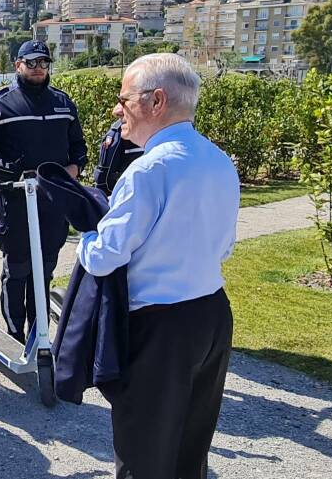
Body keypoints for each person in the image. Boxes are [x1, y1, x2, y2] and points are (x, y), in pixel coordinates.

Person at [77, 53, 239, 479]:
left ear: (156, 101)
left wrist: (86, 236)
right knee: (191, 444)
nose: (118, 110)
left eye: (124, 99)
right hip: (212, 314)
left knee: (144, 449)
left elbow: (104, 257)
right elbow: (224, 248)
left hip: (159, 326)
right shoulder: (219, 160)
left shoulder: (147, 171)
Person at [0, 40, 87, 342]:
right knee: (19, 266)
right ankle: (14, 334)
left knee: (46, 266)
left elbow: (79, 147)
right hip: (14, 198)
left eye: (43, 63)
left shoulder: (63, 103)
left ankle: (40, 332)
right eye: (31, 63)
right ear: (18, 65)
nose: (38, 69)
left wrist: (73, 170)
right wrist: (15, 172)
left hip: (53, 199)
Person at [92, 118, 142, 196]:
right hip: (124, 195)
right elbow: (104, 175)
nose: (116, 111)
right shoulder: (118, 131)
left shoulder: (120, 129)